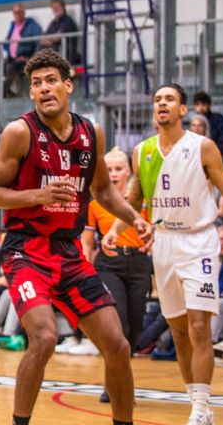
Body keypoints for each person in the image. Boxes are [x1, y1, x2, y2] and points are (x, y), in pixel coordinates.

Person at [0, 48, 153, 425]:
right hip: (26, 251)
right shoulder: (19, 132)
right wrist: (38, 196)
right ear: (31, 93)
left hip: (69, 253)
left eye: (51, 81)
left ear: (68, 86)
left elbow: (103, 191)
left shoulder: (91, 133)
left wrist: (135, 219)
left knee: (117, 344)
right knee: (45, 337)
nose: (44, 88)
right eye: (36, 83)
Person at [104, 83, 223, 425]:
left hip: (199, 242)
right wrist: (114, 230)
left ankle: (201, 407)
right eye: (157, 99)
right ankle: (196, 402)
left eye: (169, 99)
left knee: (199, 326)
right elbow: (135, 200)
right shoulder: (142, 151)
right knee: (177, 329)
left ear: (183, 110)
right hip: (163, 244)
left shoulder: (202, 147)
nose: (162, 103)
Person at [81, 147, 153, 398]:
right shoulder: (94, 204)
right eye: (108, 169)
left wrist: (152, 239)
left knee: (135, 326)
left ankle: (121, 379)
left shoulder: (141, 201)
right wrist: (85, 272)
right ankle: (112, 385)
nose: (113, 174)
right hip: (108, 265)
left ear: (129, 172)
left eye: (118, 169)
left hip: (139, 264)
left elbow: (154, 228)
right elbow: (87, 243)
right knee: (117, 322)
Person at [0, 4, 43, 97]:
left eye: (20, 12)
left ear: (24, 13)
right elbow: (7, 43)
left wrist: (31, 58)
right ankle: (7, 92)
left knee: (10, 68)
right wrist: (7, 56)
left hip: (24, 60)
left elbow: (40, 43)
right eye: (15, 12)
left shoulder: (32, 26)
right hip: (11, 60)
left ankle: (0, 95)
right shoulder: (13, 26)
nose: (17, 14)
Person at [193, 92, 223, 168]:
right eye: (197, 105)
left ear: (209, 105)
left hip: (217, 153)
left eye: (203, 104)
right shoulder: (193, 121)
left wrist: (213, 151)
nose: (200, 108)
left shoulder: (218, 119)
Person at [40, 0, 80, 66]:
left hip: (66, 57)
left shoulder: (68, 22)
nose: (55, 9)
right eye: (53, 8)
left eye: (57, 7)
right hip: (53, 57)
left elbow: (58, 38)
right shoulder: (54, 23)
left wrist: (50, 39)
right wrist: (52, 39)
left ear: (63, 7)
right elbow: (42, 40)